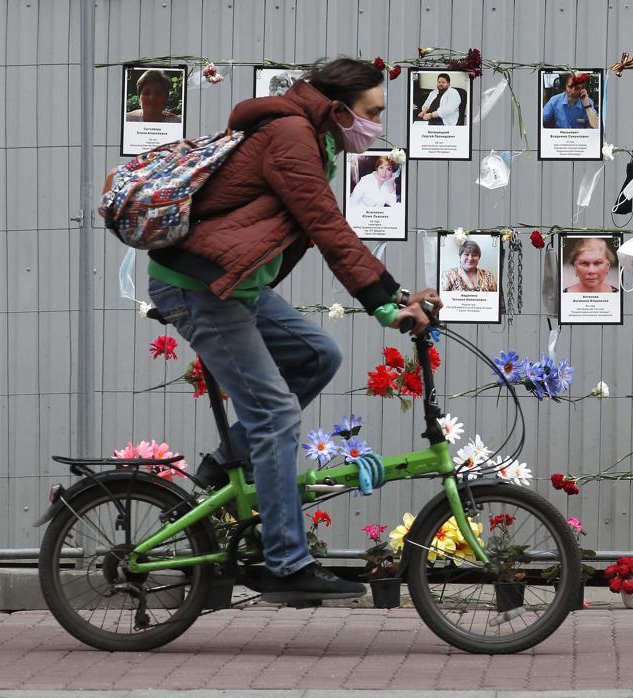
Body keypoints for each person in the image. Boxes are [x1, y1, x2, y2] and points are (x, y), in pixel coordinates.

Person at [145, 57, 440, 604]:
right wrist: (381, 306)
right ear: (339, 107)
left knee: (317, 354)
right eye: (372, 112)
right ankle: (285, 563)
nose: (376, 125)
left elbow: (328, 226)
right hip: (199, 286)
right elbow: (326, 227)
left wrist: (395, 295)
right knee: (276, 414)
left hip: (235, 285)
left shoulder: (316, 140)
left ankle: (224, 460)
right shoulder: (291, 135)